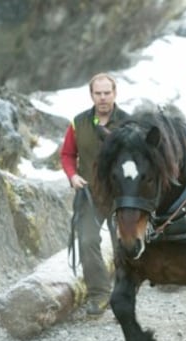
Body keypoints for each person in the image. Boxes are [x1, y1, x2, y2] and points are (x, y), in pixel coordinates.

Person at [60, 72, 129, 317]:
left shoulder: (128, 123)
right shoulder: (78, 122)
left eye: (107, 93)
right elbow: (67, 154)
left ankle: (124, 297)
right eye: (98, 93)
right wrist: (72, 176)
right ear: (91, 95)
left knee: (125, 245)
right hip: (89, 194)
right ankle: (99, 295)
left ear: (115, 93)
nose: (102, 98)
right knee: (87, 241)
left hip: (122, 196)